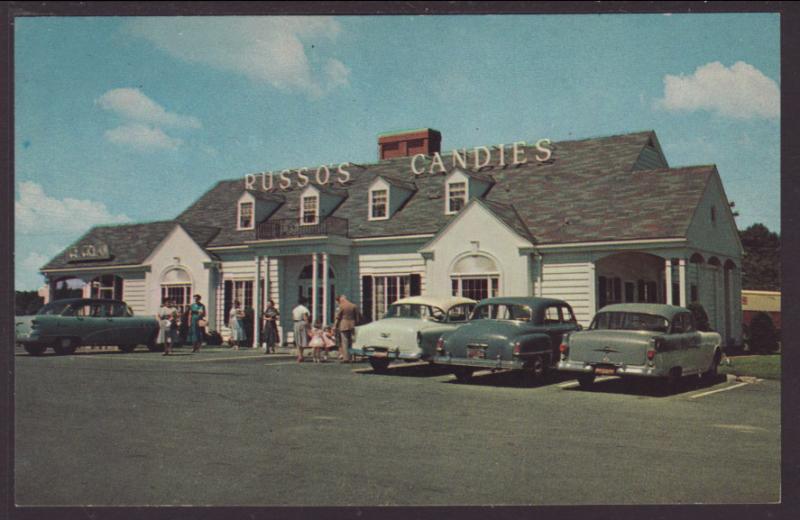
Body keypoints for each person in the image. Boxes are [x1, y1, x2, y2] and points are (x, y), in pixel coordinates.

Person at [334, 294, 361, 363]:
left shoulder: (341, 306)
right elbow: (358, 317)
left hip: (343, 324)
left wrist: (335, 326)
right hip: (352, 324)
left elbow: (338, 317)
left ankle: (346, 358)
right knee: (352, 341)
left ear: (341, 299)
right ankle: (352, 357)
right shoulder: (354, 306)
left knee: (345, 342)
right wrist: (356, 325)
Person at [292, 298, 311, 362]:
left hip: (296, 323)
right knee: (302, 339)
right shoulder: (304, 309)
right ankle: (300, 355)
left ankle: (300, 355)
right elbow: (305, 318)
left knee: (298, 340)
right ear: (305, 302)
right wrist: (309, 326)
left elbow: (293, 317)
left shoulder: (295, 309)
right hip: (302, 323)